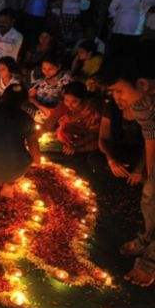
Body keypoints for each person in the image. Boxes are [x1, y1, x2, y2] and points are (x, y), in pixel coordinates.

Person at [107, 75, 155, 286]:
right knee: (149, 198)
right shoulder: (143, 103)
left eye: (119, 90)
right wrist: (150, 174)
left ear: (142, 84)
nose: (116, 97)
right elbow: (151, 139)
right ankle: (147, 238)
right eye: (112, 92)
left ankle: (150, 262)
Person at [94, 96, 144, 186]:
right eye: (113, 91)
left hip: (140, 154)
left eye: (120, 91)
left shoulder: (146, 109)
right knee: (94, 159)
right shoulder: (111, 107)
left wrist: (138, 170)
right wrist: (111, 160)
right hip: (117, 150)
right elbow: (102, 138)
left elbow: (150, 144)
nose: (118, 98)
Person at [108, 0, 148, 70]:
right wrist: (117, 18)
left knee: (129, 58)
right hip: (118, 31)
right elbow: (111, 8)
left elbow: (146, 14)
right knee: (115, 57)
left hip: (134, 34)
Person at [54, 81, 101, 155]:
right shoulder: (64, 107)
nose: (69, 104)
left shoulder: (92, 112)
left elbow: (93, 135)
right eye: (66, 100)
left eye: (74, 101)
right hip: (69, 141)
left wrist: (75, 145)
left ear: (83, 100)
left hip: (87, 142)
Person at [28, 54, 72, 118]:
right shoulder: (41, 78)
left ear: (58, 67)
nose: (46, 72)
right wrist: (41, 107)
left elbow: (65, 102)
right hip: (38, 111)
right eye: (44, 68)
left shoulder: (65, 80)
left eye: (50, 69)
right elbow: (31, 97)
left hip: (54, 114)